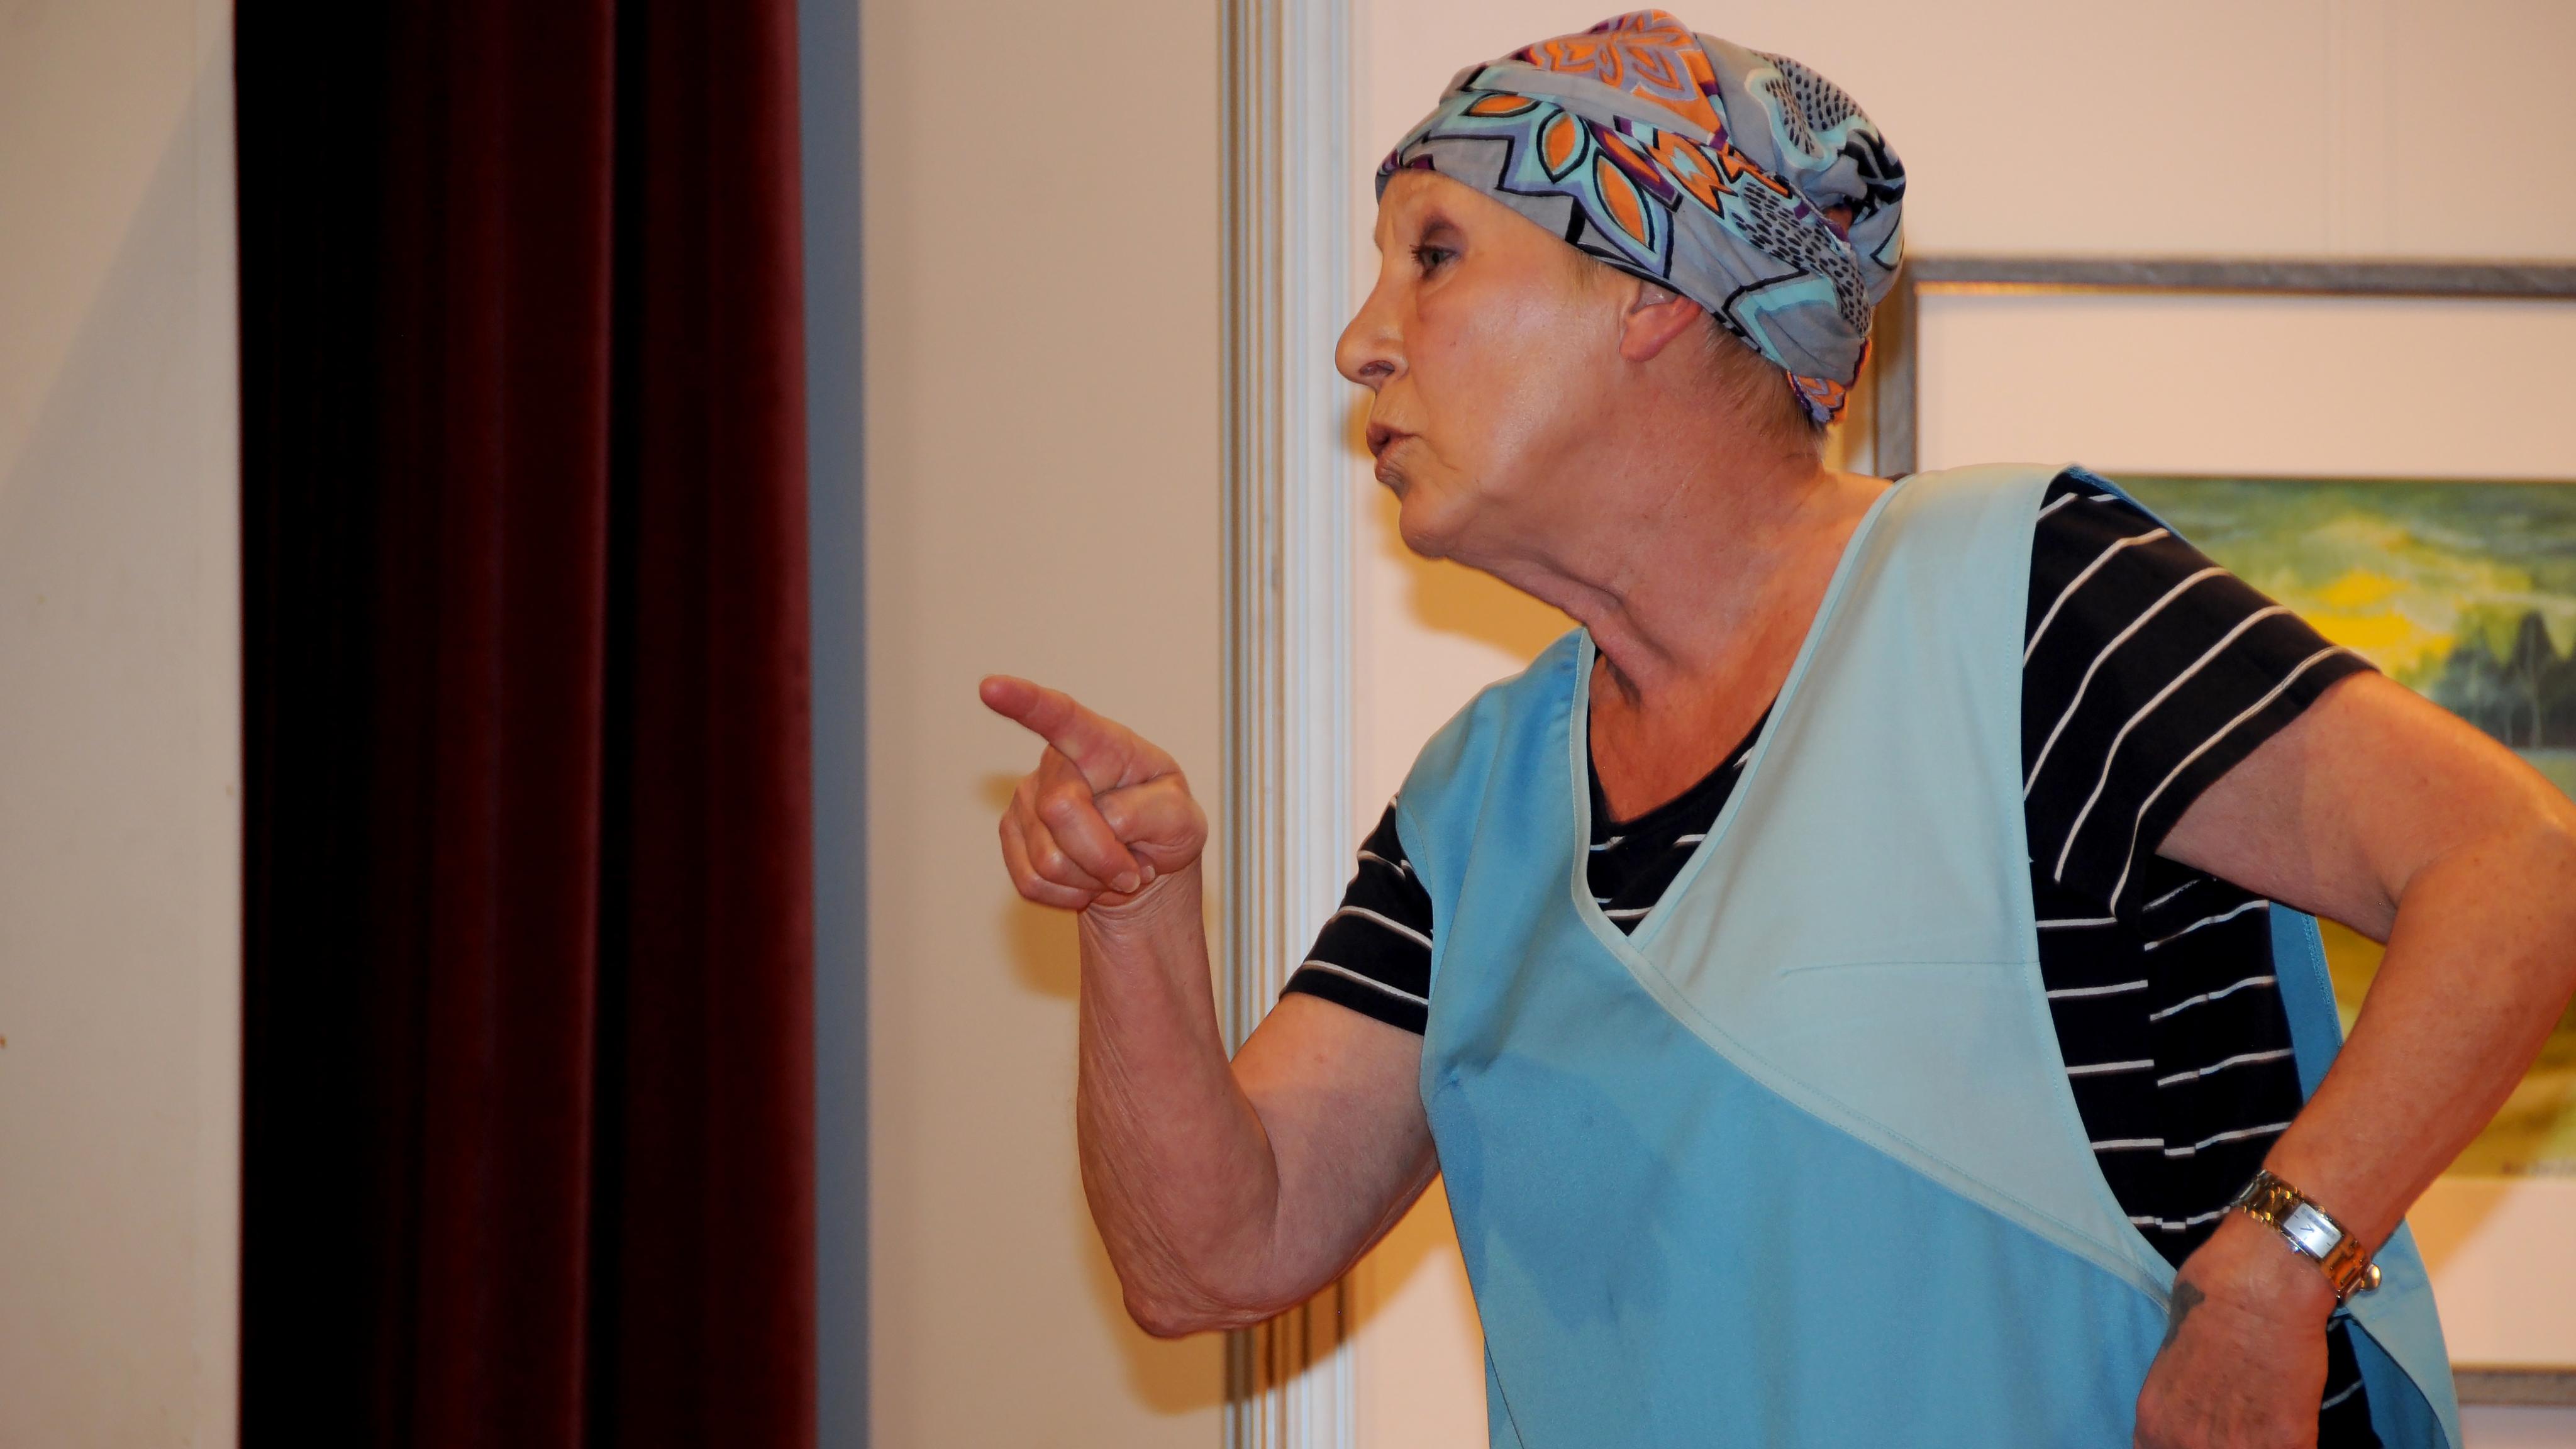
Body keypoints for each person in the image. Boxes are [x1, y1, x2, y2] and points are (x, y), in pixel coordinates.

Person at [979, 13, 2576, 1446]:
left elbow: (2515, 868)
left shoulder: (2015, 601)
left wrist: (2282, 1262)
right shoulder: (1479, 803)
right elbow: (1212, 1257)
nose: (1360, 342)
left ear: (1647, 296)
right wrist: (1135, 919)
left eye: (1435, 256)